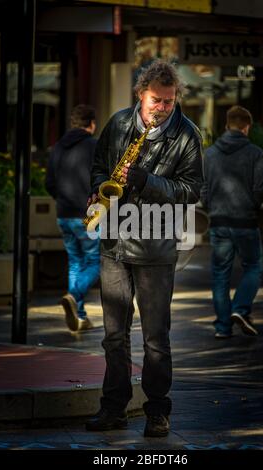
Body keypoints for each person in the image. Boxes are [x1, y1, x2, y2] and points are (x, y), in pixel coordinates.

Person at [85, 60, 204, 437]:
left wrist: (149, 182)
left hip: (155, 246)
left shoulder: (188, 135)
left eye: (169, 102)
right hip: (115, 241)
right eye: (157, 100)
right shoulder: (119, 123)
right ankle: (113, 408)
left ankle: (157, 411)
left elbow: (192, 191)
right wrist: (102, 185)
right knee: (113, 335)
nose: (163, 108)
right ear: (141, 94)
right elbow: (100, 166)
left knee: (155, 336)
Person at [201, 105, 263, 339]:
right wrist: (250, 207)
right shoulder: (255, 153)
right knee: (253, 267)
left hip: (219, 221)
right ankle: (240, 308)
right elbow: (261, 188)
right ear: (246, 127)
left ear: (227, 125)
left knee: (220, 274)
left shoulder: (209, 154)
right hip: (246, 222)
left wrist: (212, 208)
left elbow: (203, 187)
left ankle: (222, 327)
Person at [46, 104, 100, 332]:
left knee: (76, 263)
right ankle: (73, 296)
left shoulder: (58, 147)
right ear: (92, 124)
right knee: (96, 261)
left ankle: (79, 316)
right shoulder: (93, 146)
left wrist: (62, 199)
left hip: (63, 214)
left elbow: (49, 183)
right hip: (86, 215)